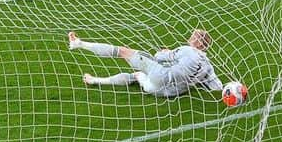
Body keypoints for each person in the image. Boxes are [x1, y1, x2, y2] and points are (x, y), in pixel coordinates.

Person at [67, 28, 223, 97]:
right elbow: (217, 86)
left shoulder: (187, 50)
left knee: (123, 51)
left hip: (159, 78)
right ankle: (94, 80)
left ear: (196, 42)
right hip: (164, 92)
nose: (191, 37)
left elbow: (158, 57)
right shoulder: (208, 65)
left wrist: (165, 53)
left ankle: (79, 44)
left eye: (193, 36)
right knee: (138, 75)